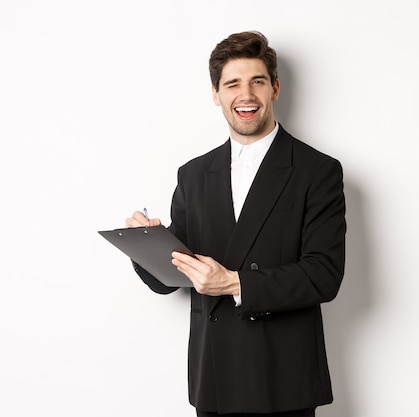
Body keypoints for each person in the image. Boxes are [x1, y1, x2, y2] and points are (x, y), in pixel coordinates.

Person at [125, 31, 346, 417]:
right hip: (215, 377)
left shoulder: (317, 171)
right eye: (232, 84)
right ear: (216, 94)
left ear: (275, 88)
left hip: (283, 380)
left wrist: (235, 282)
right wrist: (146, 245)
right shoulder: (193, 174)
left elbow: (324, 275)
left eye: (257, 81)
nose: (246, 95)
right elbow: (175, 277)